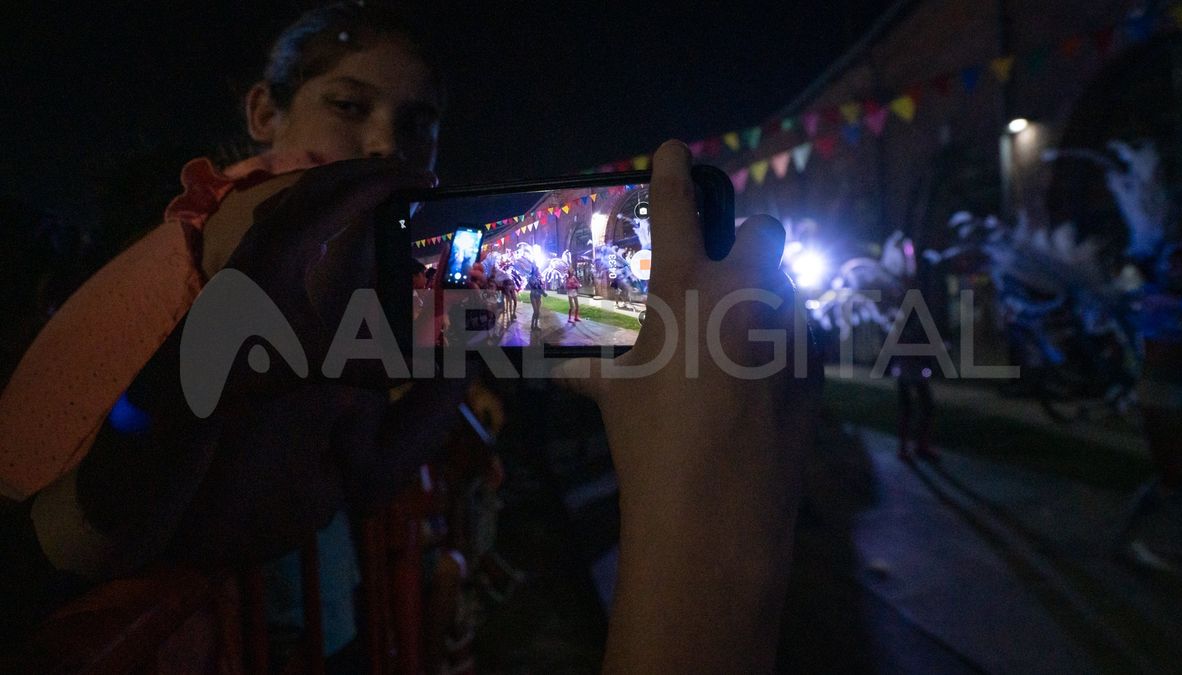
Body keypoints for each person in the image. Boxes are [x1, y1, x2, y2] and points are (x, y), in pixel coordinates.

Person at [4, 4, 817, 669]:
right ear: (264, 112)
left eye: (417, 122)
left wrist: (450, 360)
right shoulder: (268, 213)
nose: (387, 145)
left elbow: (363, 471)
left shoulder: (350, 294)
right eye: (349, 107)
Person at [1116, 243, 1182, 570]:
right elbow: (1179, 308)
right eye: (1176, 263)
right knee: (1171, 475)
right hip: (1158, 392)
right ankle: (1128, 540)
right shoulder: (1152, 298)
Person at [527, 265, 546, 331]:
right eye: (537, 270)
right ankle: (532, 325)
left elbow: (541, 286)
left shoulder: (538, 278)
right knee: (535, 311)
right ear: (534, 271)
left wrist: (543, 292)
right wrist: (543, 292)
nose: (538, 271)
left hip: (538, 295)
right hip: (533, 295)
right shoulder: (531, 278)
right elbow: (535, 286)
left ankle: (536, 325)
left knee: (538, 311)